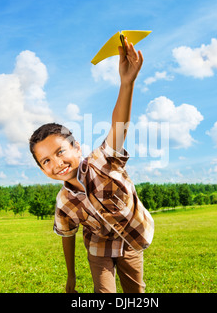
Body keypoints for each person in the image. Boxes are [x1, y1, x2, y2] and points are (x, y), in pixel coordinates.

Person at [29, 37, 154, 293]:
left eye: (60, 151)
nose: (57, 163)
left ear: (77, 148)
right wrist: (71, 277)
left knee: (135, 292)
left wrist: (126, 83)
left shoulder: (102, 161)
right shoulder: (64, 202)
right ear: (42, 170)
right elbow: (67, 236)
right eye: (46, 161)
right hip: (98, 247)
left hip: (131, 239)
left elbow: (119, 126)